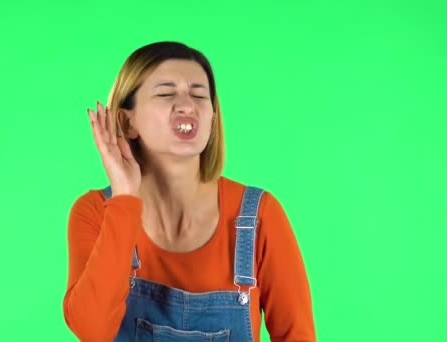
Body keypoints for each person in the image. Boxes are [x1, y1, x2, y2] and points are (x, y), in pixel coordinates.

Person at [62, 41, 316, 341]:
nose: (187, 105)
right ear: (127, 122)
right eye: (166, 92)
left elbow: (297, 335)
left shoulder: (259, 216)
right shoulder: (95, 212)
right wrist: (125, 199)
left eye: (198, 94)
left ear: (212, 117)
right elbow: (92, 330)